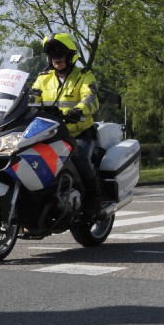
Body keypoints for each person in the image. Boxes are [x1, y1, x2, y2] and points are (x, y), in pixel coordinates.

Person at [32, 32, 103, 219]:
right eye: (52, 54)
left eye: (60, 53)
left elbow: (91, 98)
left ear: (71, 55)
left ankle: (94, 200)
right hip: (48, 133)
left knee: (80, 158)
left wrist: (78, 110)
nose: (56, 58)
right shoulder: (43, 78)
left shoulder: (84, 76)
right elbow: (32, 98)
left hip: (78, 133)